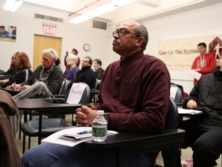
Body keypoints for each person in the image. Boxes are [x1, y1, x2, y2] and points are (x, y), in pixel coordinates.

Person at [22, 20, 171, 167]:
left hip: (132, 146)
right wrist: (90, 112)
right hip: (100, 137)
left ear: (139, 41)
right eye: (116, 32)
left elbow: (154, 120)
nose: (116, 36)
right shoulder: (112, 68)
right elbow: (103, 103)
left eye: (123, 32)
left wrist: (102, 118)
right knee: (31, 158)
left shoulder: (154, 68)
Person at [179, 45, 222, 167]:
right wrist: (190, 101)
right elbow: (191, 96)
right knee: (169, 134)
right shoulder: (206, 78)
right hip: (199, 119)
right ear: (220, 57)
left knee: (203, 146)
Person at [0, 90, 21, 167]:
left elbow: (51, 89)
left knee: (40, 85)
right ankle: (15, 98)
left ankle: (16, 98)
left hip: (46, 96)